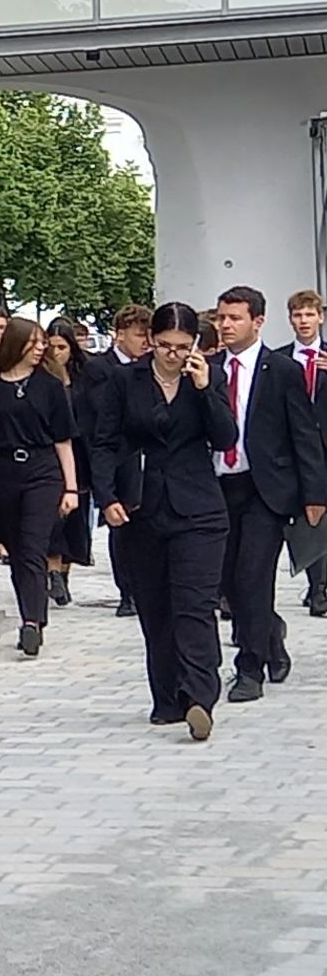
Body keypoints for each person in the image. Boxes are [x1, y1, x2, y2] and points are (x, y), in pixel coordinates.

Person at [88, 301, 229, 740]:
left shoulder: (206, 377)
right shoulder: (123, 380)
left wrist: (205, 390)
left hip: (198, 507)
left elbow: (226, 438)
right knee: (155, 607)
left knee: (194, 605)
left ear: (195, 345)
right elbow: (103, 442)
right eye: (165, 345)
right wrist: (107, 496)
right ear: (151, 341)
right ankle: (167, 698)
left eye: (182, 347)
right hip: (141, 507)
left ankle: (199, 696)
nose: (173, 354)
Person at [207, 284, 327, 701]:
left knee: (252, 576)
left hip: (264, 490)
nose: (225, 325)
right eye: (221, 317)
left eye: (234, 317)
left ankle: (249, 667)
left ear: (257, 321)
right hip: (219, 487)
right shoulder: (209, 369)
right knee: (227, 584)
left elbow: (303, 434)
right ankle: (271, 634)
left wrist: (315, 493)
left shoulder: (281, 370)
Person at [0, 316, 79, 657]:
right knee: (17, 550)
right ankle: (30, 611)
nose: (40, 349)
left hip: (42, 470)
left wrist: (71, 488)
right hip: (4, 471)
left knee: (34, 545)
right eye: (33, 342)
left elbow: (64, 440)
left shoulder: (49, 385)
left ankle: (32, 621)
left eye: (42, 343)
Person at [96, 307, 153, 615]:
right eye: (138, 334)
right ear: (120, 334)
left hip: (148, 463)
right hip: (119, 459)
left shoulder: (152, 369)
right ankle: (126, 591)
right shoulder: (100, 369)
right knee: (121, 530)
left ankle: (144, 586)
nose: (145, 341)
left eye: (148, 335)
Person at [42, 317, 97, 606]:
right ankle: (51, 571)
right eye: (51, 347)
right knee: (52, 516)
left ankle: (63, 573)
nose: (56, 353)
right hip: (50, 454)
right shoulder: (42, 378)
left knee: (75, 518)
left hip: (80, 453)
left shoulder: (84, 376)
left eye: (61, 347)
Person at [281, 291, 327, 618]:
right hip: (297, 450)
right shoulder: (281, 360)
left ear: (320, 318)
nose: (304, 322)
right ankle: (318, 586)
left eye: (309, 315)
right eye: (298, 316)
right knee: (310, 518)